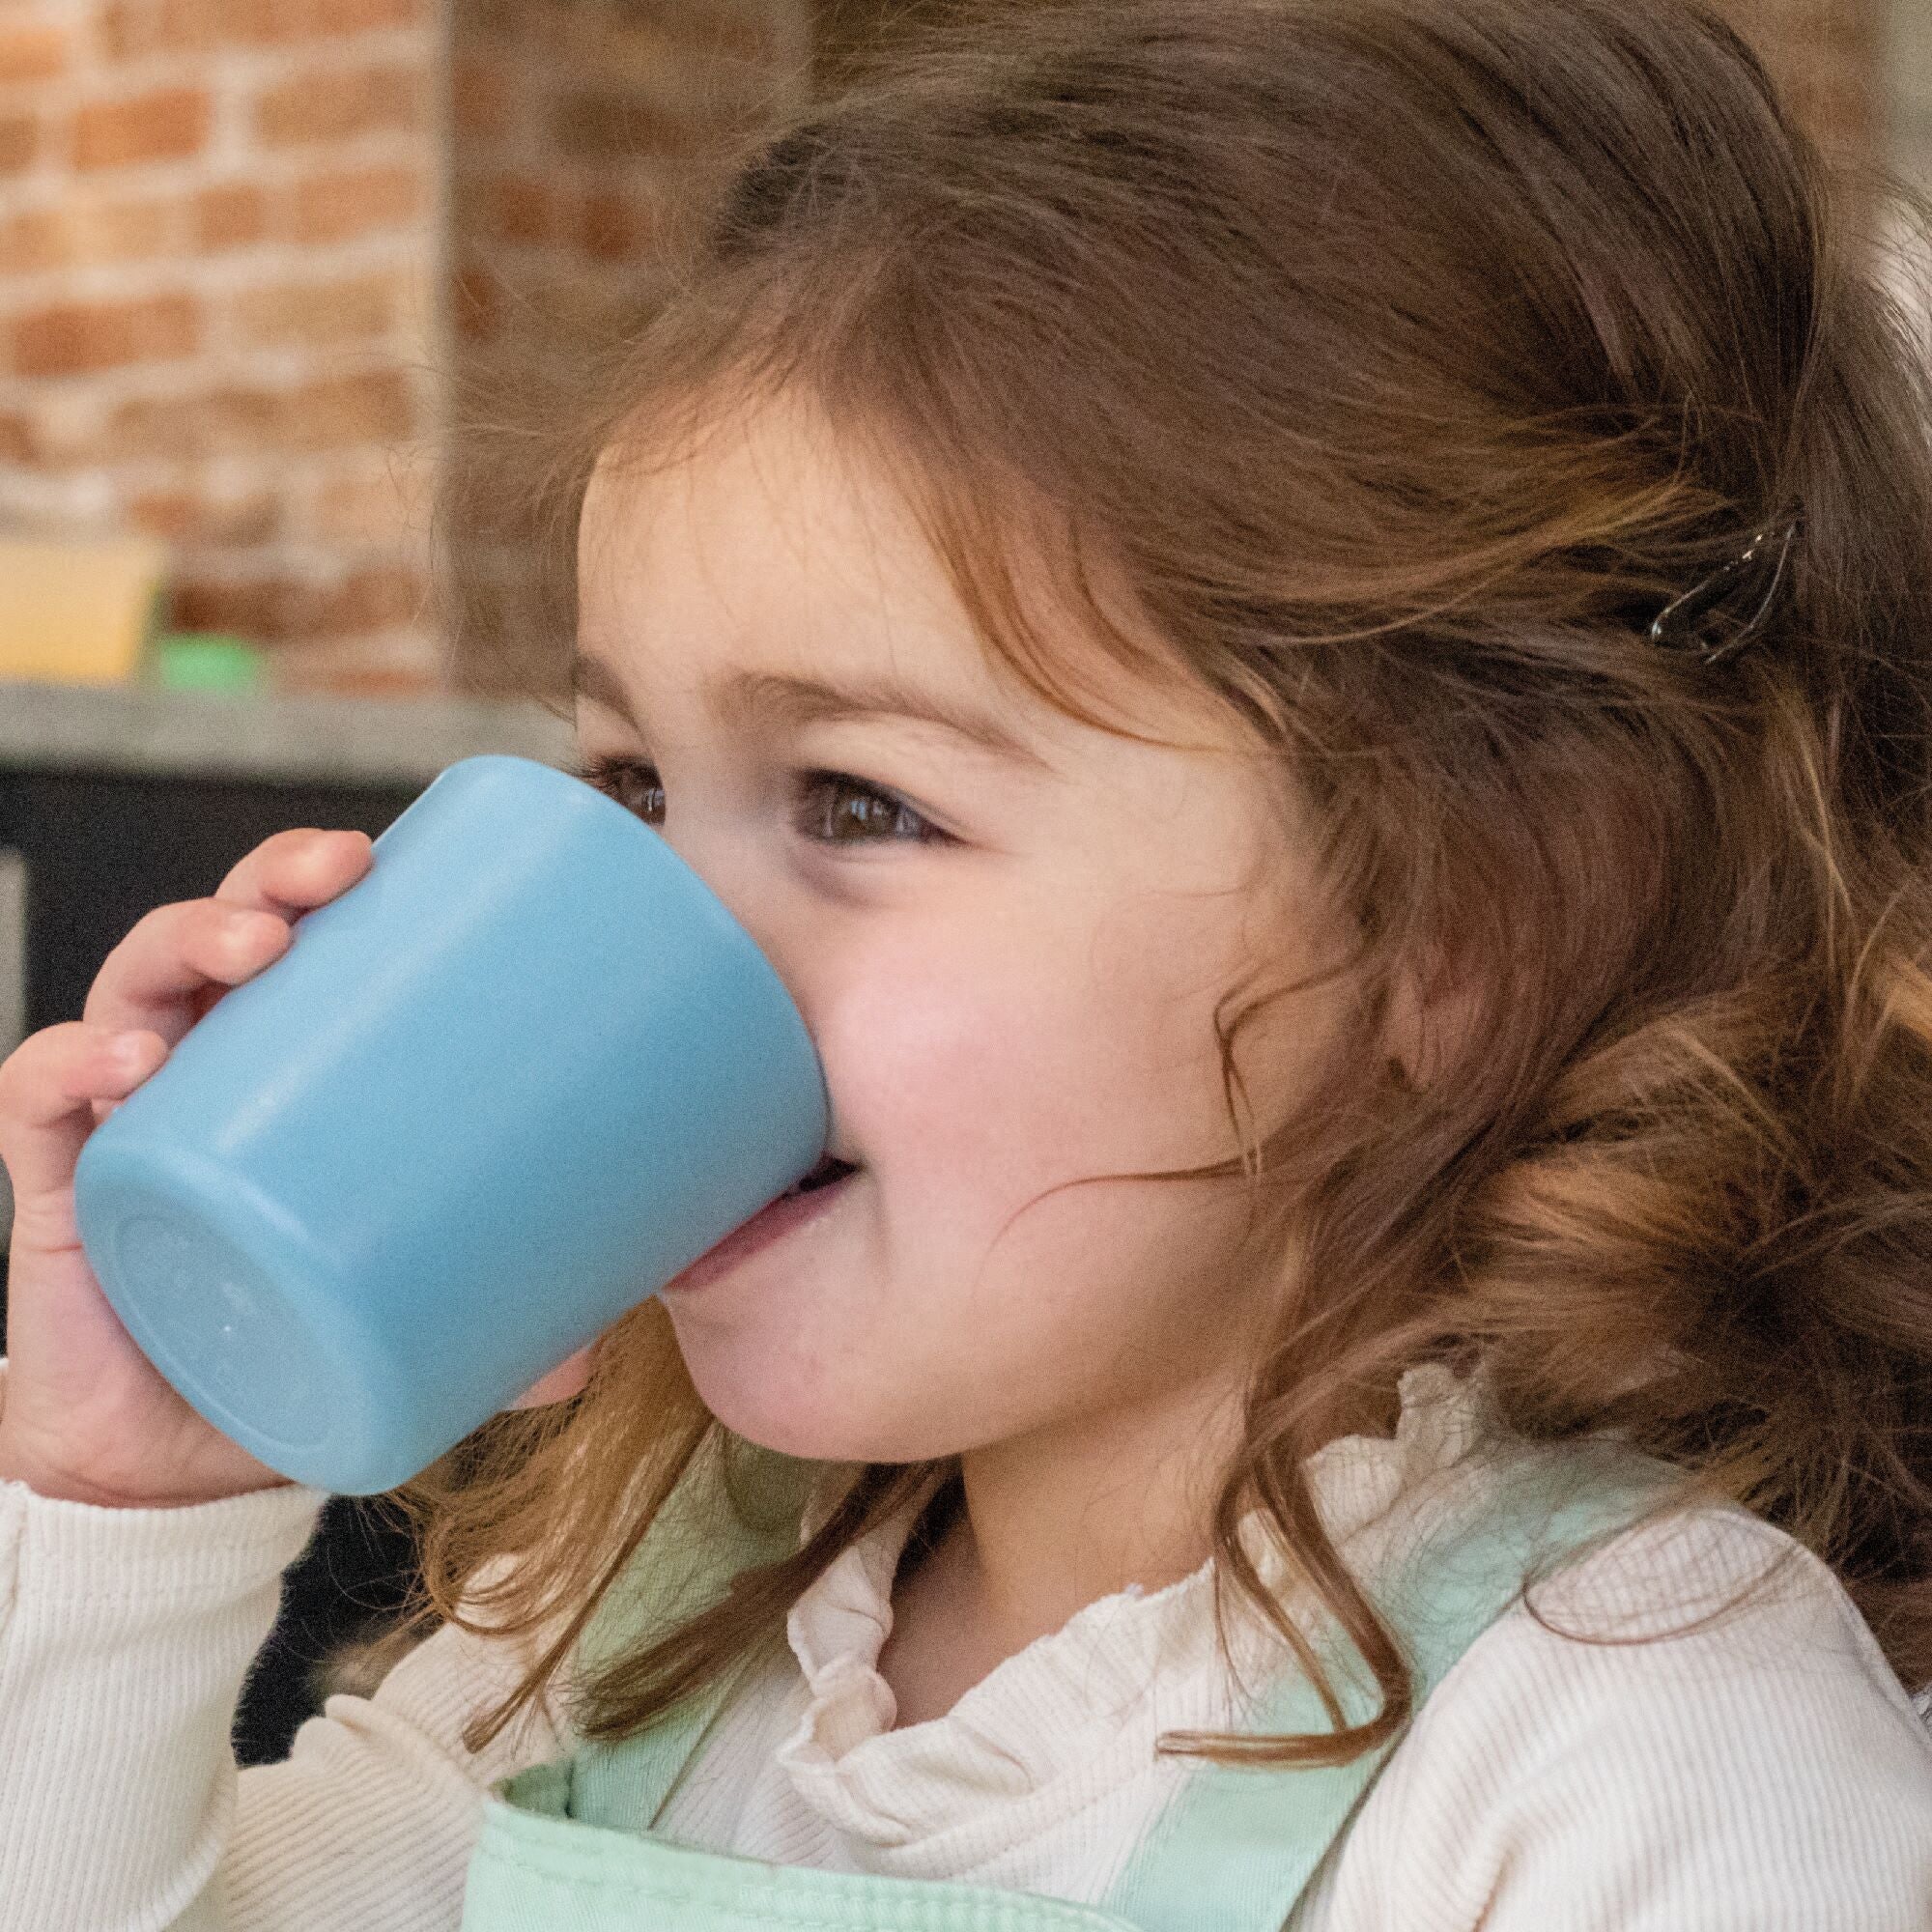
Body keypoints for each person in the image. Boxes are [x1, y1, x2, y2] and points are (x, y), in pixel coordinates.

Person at [2, 0, 1930, 1925]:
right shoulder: (637, 1627)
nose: (667, 926)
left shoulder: (1638, 1751)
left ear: (1463, 933)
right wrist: (131, 1503)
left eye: (858, 802)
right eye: (634, 784)